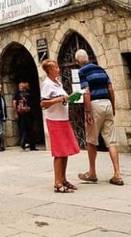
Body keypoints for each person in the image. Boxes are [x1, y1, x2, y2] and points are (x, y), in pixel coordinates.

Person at [74, 50, 124, 186]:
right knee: (111, 140)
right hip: (107, 103)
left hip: (95, 105)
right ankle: (117, 174)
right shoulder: (101, 69)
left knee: (91, 140)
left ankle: (92, 173)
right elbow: (111, 88)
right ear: (88, 58)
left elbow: (86, 92)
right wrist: (113, 106)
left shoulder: (82, 71)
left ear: (78, 62)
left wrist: (88, 111)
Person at [39, 60, 79, 193]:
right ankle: (57, 182)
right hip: (54, 120)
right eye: (55, 67)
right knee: (59, 152)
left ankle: (63, 179)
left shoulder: (57, 83)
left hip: (63, 119)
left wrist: (70, 98)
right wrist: (60, 99)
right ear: (49, 70)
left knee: (65, 151)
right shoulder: (47, 84)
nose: (58, 68)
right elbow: (43, 103)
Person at [12, 80, 34, 151]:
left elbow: (14, 103)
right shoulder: (27, 94)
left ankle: (25, 142)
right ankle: (29, 144)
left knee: (25, 129)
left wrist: (15, 112)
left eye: (21, 86)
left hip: (23, 113)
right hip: (25, 113)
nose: (19, 87)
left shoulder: (18, 94)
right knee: (28, 129)